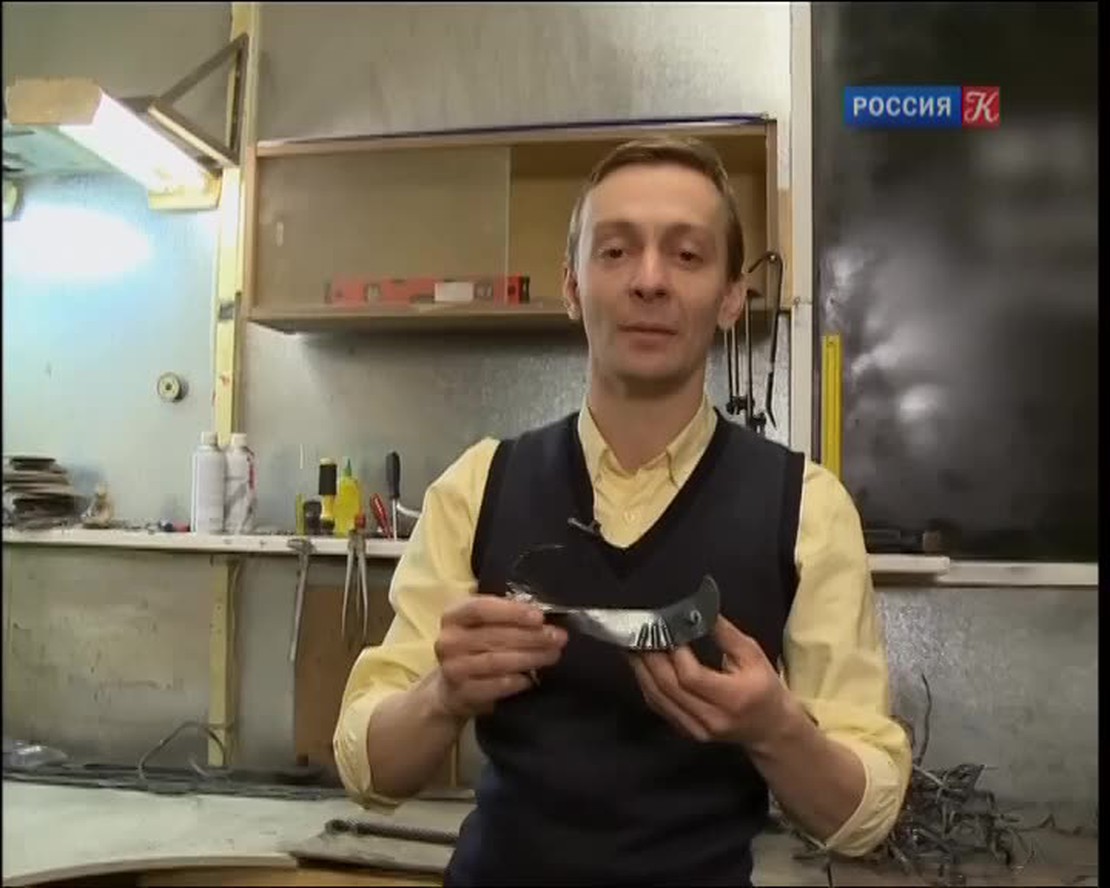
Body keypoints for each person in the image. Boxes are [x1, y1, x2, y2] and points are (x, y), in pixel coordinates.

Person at [334, 136, 912, 886]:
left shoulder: (807, 509)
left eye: (687, 255)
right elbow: (367, 768)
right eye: (615, 252)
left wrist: (774, 729)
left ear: (731, 296)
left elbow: (862, 819)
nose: (649, 281)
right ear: (572, 287)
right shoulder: (479, 487)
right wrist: (442, 695)